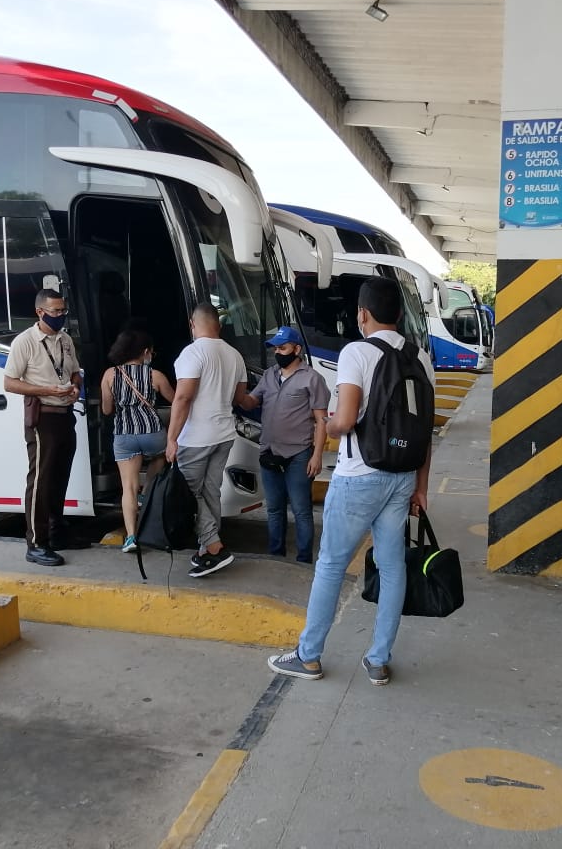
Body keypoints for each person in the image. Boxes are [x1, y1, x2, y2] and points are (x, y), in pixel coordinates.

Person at [267, 278, 434, 687]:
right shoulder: (421, 358)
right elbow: (424, 429)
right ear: (398, 313)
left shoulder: (356, 352)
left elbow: (344, 421)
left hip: (359, 475)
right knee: (393, 567)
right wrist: (421, 487)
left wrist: (324, 422)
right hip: (402, 476)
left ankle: (308, 656)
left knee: (331, 565)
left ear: (362, 314)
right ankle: (378, 660)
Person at [3, 288, 90, 566]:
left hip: (65, 413)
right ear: (40, 312)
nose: (61, 316)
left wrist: (75, 387)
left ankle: (57, 532)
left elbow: (75, 372)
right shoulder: (25, 342)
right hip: (43, 417)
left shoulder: (65, 340)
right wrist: (45, 389)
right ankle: (36, 543)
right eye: (56, 311)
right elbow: (9, 382)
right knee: (40, 480)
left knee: (59, 477)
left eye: (63, 311)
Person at [166, 303, 248, 578]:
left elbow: (183, 397)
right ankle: (206, 549)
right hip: (224, 435)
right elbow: (240, 398)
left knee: (189, 493)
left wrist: (171, 439)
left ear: (193, 324)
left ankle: (213, 545)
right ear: (219, 325)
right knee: (211, 490)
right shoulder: (235, 355)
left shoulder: (193, 353)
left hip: (197, 437)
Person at [237, 326, 329, 563]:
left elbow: (321, 420)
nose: (278, 352)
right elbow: (249, 402)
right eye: (276, 348)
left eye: (283, 347)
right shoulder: (269, 375)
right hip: (269, 451)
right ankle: (276, 556)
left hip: (299, 454)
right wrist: (234, 387)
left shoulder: (312, 379)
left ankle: (304, 559)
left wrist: (317, 455)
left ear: (296, 349)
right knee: (274, 510)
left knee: (301, 511)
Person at [100, 328, 175, 555]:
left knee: (128, 488)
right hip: (153, 433)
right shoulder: (155, 375)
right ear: (145, 352)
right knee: (161, 457)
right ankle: (149, 488)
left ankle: (131, 537)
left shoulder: (110, 375)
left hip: (124, 436)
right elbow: (177, 401)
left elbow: (106, 410)